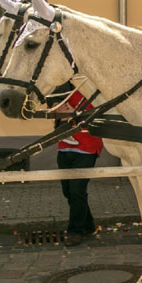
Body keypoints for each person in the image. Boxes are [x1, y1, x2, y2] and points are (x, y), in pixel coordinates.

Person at [53, 85, 103, 247]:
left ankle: (76, 231)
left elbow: (101, 116)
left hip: (88, 147)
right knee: (68, 190)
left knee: (76, 190)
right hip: (64, 145)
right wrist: (57, 109)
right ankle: (88, 225)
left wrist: (74, 114)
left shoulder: (95, 88)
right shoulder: (65, 87)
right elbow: (53, 105)